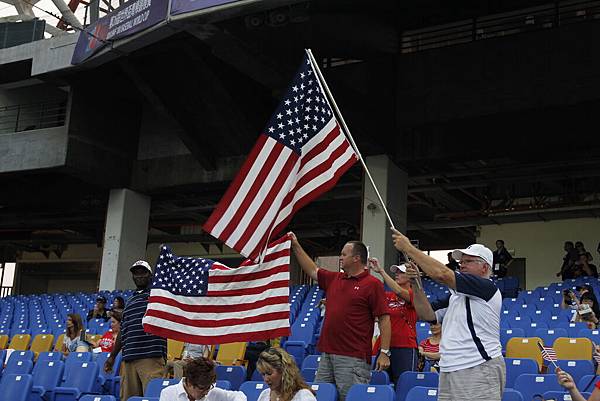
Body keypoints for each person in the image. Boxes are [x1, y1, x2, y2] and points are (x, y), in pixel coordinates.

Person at [392, 228, 505, 401]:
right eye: (462, 261)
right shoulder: (455, 297)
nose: (462, 264)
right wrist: (415, 284)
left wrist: (409, 249)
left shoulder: (486, 287)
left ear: (484, 268)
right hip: (450, 367)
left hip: (478, 366)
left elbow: (442, 274)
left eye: (469, 261)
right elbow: (425, 314)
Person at [289, 232, 391, 401]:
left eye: (344, 254)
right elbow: (312, 270)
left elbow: (384, 319)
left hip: (353, 357)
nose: (340, 257)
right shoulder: (335, 278)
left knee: (351, 398)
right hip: (327, 354)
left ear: (357, 258)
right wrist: (296, 245)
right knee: (317, 398)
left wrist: (385, 352)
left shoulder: (373, 284)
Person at [104, 260, 167, 401]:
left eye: (143, 272)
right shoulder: (130, 301)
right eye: (136, 273)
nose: (139, 276)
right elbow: (123, 331)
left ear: (151, 275)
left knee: (153, 397)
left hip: (150, 356)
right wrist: (112, 356)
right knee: (128, 399)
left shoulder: (158, 294)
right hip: (129, 358)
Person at [369, 259, 418, 384]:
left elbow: (399, 291)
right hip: (385, 347)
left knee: (403, 385)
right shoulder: (388, 296)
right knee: (378, 383)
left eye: (401, 272)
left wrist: (381, 271)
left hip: (405, 347)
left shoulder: (414, 294)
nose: (397, 274)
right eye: (396, 272)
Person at [159, 357, 246, 401]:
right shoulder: (168, 394)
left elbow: (240, 396)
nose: (206, 392)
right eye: (202, 388)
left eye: (209, 387)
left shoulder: (211, 392)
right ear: (189, 383)